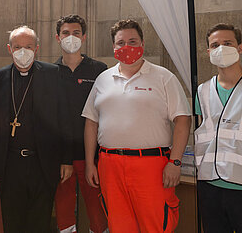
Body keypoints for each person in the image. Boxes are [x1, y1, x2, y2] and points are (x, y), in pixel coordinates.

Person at [82, 19, 191, 233]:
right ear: (114, 47)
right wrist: (89, 163)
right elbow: (91, 122)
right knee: (118, 225)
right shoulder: (103, 79)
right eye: (120, 42)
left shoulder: (163, 77)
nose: (126, 47)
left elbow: (183, 119)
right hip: (109, 165)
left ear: (142, 43)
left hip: (151, 165)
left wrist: (175, 162)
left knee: (156, 225)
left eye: (132, 41)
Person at [0, 25, 73, 233]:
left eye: (28, 46)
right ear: (9, 49)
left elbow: (65, 119)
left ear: (37, 48)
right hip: (9, 165)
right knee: (12, 222)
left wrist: (67, 158)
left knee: (39, 222)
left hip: (43, 163)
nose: (23, 52)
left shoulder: (55, 75)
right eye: (17, 47)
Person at [194, 23, 242, 233]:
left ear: (240, 48)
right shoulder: (202, 91)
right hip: (210, 187)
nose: (221, 48)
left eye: (227, 43)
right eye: (215, 45)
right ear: (208, 52)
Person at [53, 15, 108, 233]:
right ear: (58, 38)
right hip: (61, 157)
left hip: (92, 156)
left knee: (97, 211)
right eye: (66, 33)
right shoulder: (49, 73)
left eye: (76, 33)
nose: (71, 37)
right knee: (64, 212)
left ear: (84, 37)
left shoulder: (99, 69)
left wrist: (93, 159)